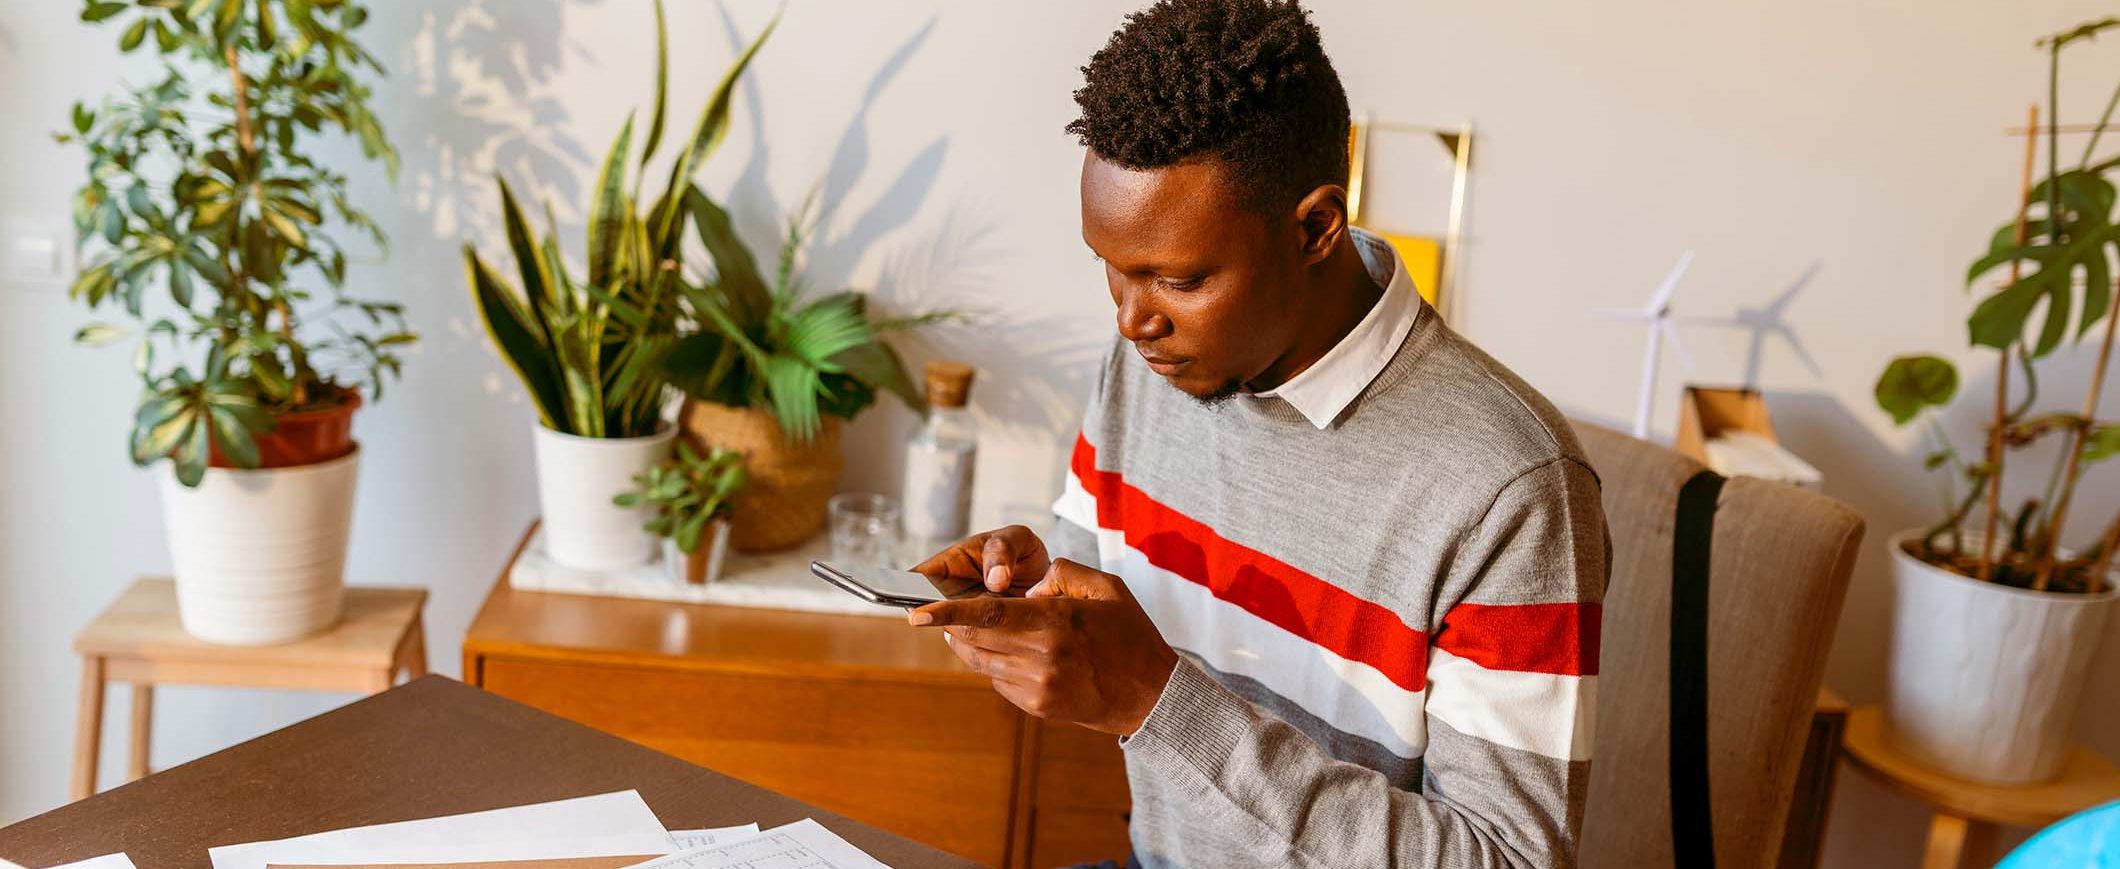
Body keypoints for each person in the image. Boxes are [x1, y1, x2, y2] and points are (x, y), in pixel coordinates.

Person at [907, 1, 1608, 866]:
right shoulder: (1152, 365)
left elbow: (1507, 859)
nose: (1131, 320)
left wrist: (1157, 703)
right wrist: (1031, 586)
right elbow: (1103, 594)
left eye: (1177, 277)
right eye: (1111, 269)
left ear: (1315, 226)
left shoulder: (1509, 487)